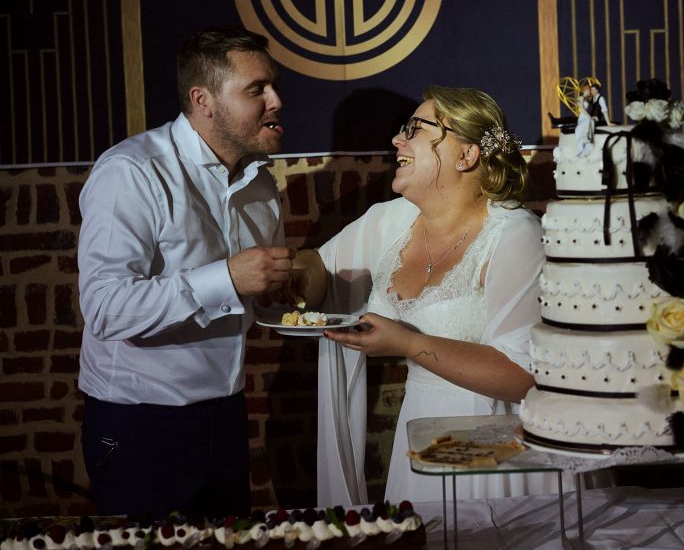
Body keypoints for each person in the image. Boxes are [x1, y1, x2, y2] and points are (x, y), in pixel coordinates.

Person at [295, 86, 556, 504]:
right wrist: (287, 274)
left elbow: (523, 375)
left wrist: (408, 344)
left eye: (415, 129)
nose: (397, 140)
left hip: (499, 447)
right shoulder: (389, 221)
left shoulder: (514, 234)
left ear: (466, 155)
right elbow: (320, 269)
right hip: (420, 437)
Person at [77, 26, 293, 517]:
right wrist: (228, 279)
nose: (276, 100)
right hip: (139, 423)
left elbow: (256, 294)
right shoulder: (132, 171)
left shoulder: (259, 182)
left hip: (227, 414)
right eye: (256, 89)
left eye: (273, 85)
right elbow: (105, 310)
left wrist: (282, 290)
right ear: (204, 100)